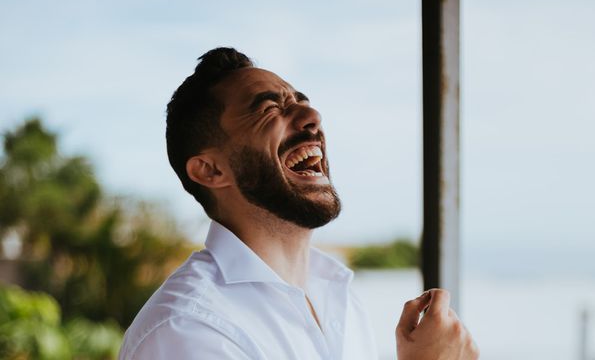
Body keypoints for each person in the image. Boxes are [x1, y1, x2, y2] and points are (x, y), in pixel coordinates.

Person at [118, 47, 479, 360]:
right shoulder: (187, 331)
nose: (312, 117)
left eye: (301, 103)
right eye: (269, 110)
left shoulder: (339, 297)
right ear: (210, 170)